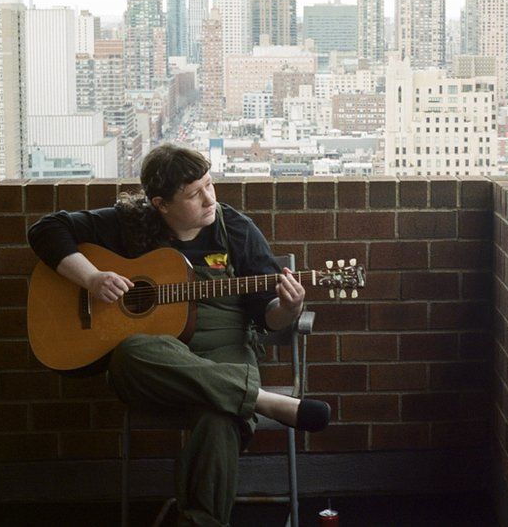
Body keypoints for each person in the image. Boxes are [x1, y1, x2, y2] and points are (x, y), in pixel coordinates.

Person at [27, 143, 330, 526]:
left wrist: (289, 308)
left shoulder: (235, 229)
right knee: (132, 351)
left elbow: (269, 315)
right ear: (160, 204)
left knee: (220, 416)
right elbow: (46, 229)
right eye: (193, 194)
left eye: (209, 185)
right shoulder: (129, 224)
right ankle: (258, 399)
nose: (209, 199)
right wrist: (91, 277)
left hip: (225, 353)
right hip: (155, 365)